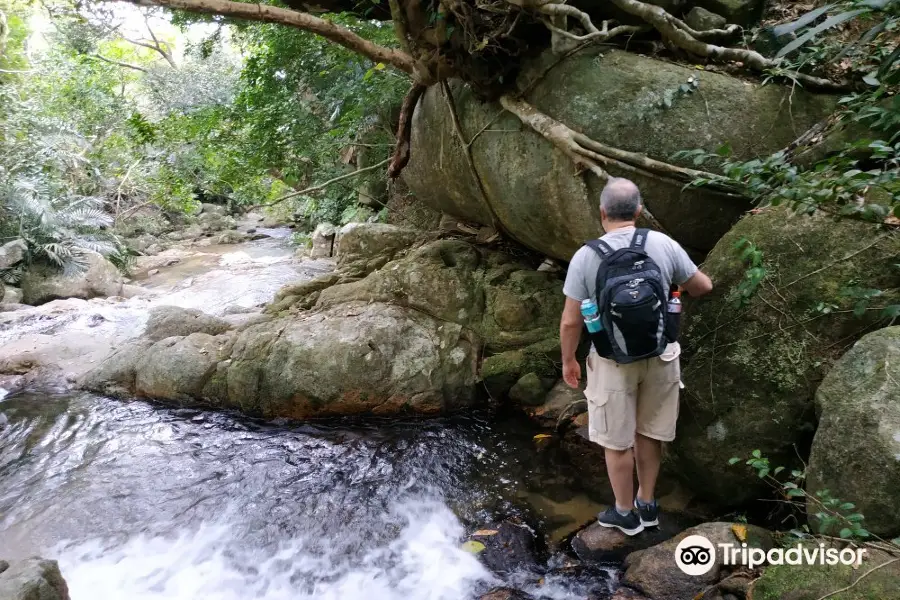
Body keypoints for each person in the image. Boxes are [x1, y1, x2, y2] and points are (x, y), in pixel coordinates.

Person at [559, 177, 713, 536]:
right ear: (639, 211)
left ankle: (624, 513)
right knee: (649, 433)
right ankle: (648, 503)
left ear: (602, 213)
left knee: (616, 441)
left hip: (613, 361)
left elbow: (571, 321)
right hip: (661, 355)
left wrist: (569, 360)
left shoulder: (586, 256)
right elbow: (702, 286)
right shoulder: (662, 243)